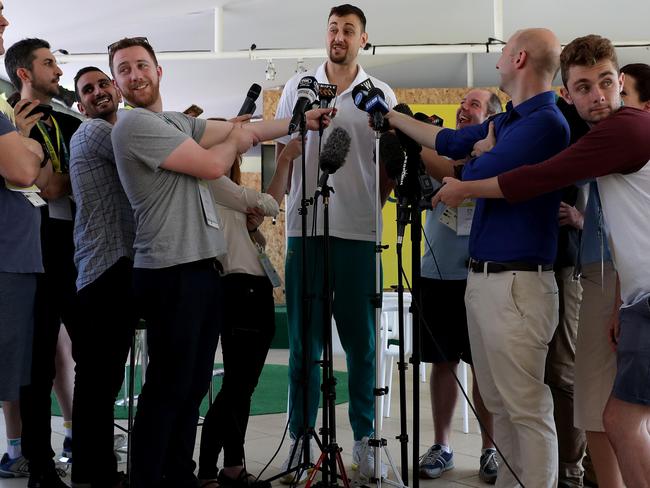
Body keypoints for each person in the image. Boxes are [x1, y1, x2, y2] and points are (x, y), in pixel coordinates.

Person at [107, 36, 331, 488]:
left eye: (141, 65)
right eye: (124, 69)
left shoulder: (173, 122)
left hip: (204, 270)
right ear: (118, 82)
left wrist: (300, 122)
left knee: (192, 389)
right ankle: (148, 479)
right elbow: (212, 166)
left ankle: (178, 475)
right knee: (168, 388)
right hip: (170, 271)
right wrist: (232, 136)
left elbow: (246, 131)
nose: (135, 74)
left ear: (158, 70)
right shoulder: (132, 128)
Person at [432, 35, 650, 488]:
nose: (599, 96)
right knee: (613, 417)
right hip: (633, 297)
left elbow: (538, 177)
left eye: (607, 83)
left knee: (617, 420)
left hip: (567, 285)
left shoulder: (621, 128)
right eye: (585, 87)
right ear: (568, 92)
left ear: (620, 82)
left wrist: (471, 178)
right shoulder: (607, 133)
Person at [385, 28, 570, 487]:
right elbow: (452, 145)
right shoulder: (508, 121)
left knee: (526, 406)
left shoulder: (546, 122)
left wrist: (482, 154)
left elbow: (480, 168)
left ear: (520, 58)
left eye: (503, 54)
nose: (498, 61)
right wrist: (391, 116)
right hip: (484, 280)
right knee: (500, 404)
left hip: (518, 283)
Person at [274, 5, 396, 480]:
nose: (339, 36)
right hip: (305, 231)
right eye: (333, 29)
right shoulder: (297, 88)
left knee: (362, 346)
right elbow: (283, 146)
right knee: (303, 346)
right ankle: (301, 440)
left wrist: (370, 206)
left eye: (348, 30)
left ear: (363, 39)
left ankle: (365, 441)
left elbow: (388, 166)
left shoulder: (380, 93)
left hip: (358, 234)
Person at [197, 136, 302, 488]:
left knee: (241, 387)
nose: (232, 154)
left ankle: (231, 464)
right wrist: (285, 157)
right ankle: (209, 468)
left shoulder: (226, 190)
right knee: (237, 388)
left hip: (252, 289)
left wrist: (253, 228)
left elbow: (256, 223)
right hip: (239, 290)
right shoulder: (211, 183)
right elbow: (271, 202)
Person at [4, 37, 81, 488]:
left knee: (86, 352)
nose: (58, 70)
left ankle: (85, 448)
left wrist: (59, 178)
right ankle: (36, 460)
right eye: (49, 63)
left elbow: (71, 183)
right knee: (35, 363)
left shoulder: (71, 125)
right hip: (29, 247)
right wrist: (58, 178)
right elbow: (41, 184)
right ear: (25, 74)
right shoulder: (7, 127)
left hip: (75, 244)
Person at [415, 89, 501, 484]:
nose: (463, 109)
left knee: (484, 366)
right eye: (462, 104)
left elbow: (458, 173)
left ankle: (490, 449)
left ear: (491, 120)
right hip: (436, 271)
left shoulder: (495, 160)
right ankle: (442, 445)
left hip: (482, 272)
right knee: (442, 362)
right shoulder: (442, 153)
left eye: (474, 105)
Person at [67, 65, 136, 488]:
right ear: (81, 104)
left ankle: (93, 472)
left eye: (102, 84)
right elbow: (149, 158)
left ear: (116, 90)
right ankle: (94, 475)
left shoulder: (114, 132)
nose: (97, 93)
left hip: (108, 270)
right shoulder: (95, 133)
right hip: (104, 270)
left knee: (100, 380)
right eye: (88, 90)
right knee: (97, 381)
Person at [0, 2, 52, 481]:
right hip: (9, 257)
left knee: (24, 365)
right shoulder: (7, 114)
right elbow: (25, 172)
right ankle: (17, 448)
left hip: (26, 256)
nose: (4, 21)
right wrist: (23, 140)